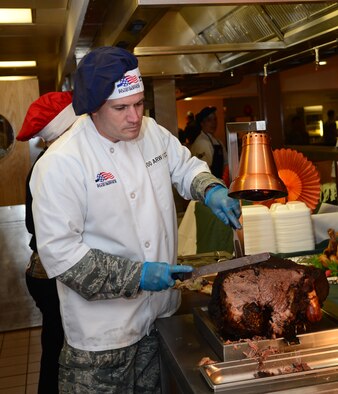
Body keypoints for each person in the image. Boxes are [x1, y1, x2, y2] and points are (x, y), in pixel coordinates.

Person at [29, 46, 241, 393]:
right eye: (121, 108)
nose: (134, 117)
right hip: (101, 341)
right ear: (94, 107)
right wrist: (137, 275)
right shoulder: (62, 163)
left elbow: (184, 167)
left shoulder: (151, 132)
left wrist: (209, 188)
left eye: (140, 104)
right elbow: (62, 257)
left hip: (159, 320)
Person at [16, 91, 79, 394]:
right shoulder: (51, 165)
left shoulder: (53, 160)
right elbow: (35, 225)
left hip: (43, 273)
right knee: (57, 347)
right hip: (48, 275)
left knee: (55, 343)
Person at [190, 106, 228, 178]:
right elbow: (204, 171)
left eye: (215, 119)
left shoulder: (218, 142)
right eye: (209, 120)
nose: (213, 123)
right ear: (202, 123)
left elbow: (226, 165)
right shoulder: (201, 143)